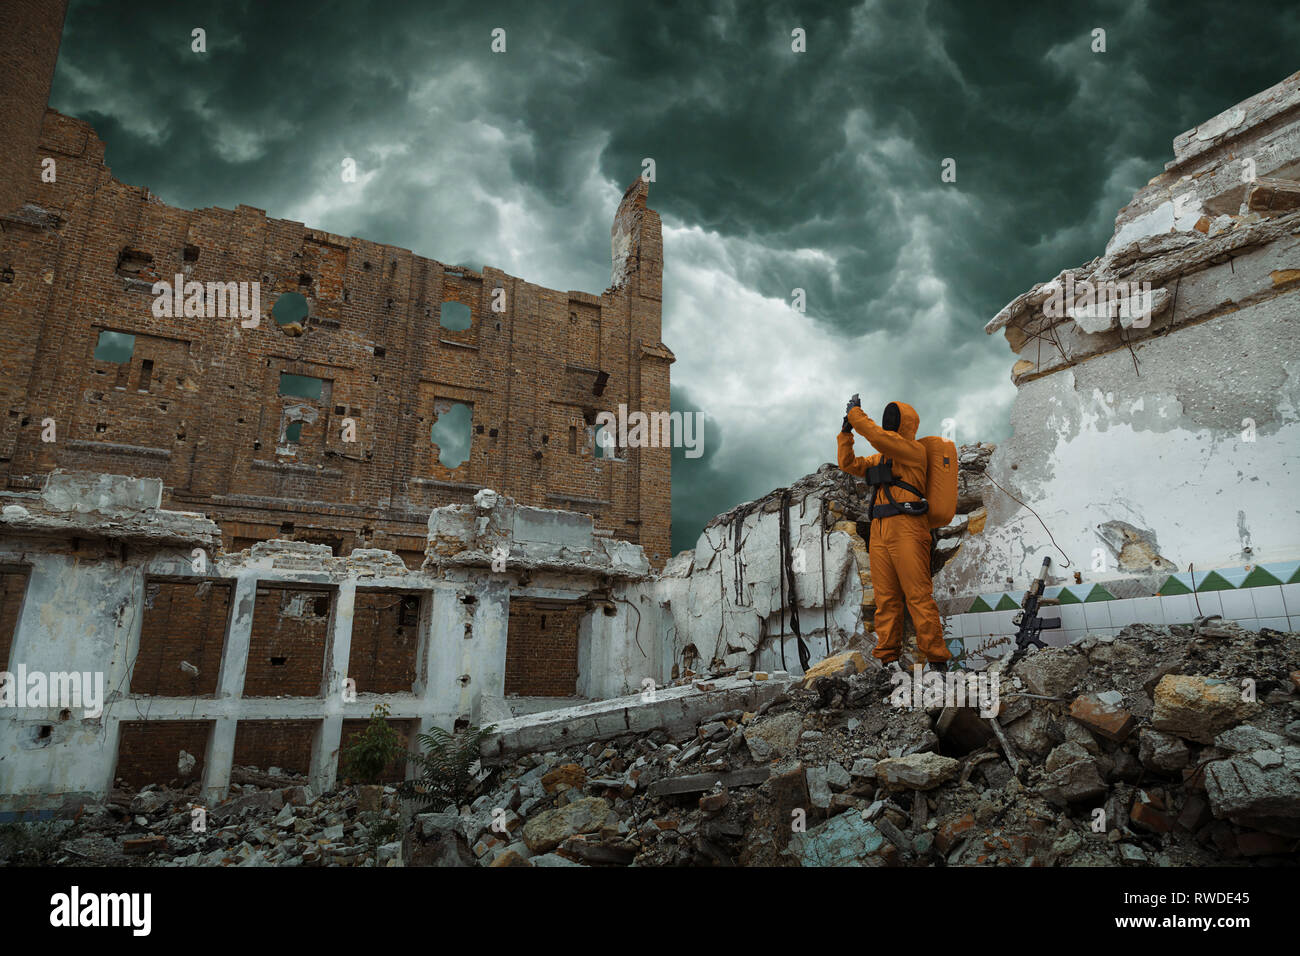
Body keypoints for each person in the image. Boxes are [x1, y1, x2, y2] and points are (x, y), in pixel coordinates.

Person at [837, 397, 950, 676]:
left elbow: (876, 436)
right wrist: (845, 433)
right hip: (879, 529)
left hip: (908, 526)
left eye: (893, 417)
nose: (889, 420)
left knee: (918, 595)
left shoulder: (911, 449)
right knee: (885, 599)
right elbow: (847, 464)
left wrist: (855, 414)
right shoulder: (882, 457)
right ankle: (887, 660)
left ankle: (937, 661)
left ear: (904, 423)